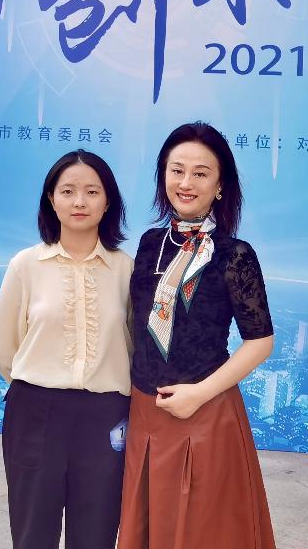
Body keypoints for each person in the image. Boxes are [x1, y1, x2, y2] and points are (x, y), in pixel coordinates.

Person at [118, 122, 277, 549]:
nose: (186, 183)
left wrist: (199, 394)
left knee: (205, 532)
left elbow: (261, 341)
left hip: (205, 413)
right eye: (177, 170)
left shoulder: (235, 255)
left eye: (201, 173)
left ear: (220, 185)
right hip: (145, 413)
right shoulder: (149, 244)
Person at [0, 149, 134, 549]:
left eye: (92, 191)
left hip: (105, 415)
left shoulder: (126, 269)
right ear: (51, 200)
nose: (79, 202)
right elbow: (1, 346)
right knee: (33, 531)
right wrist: (38, 386)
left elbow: (136, 345)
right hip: (36, 412)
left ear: (108, 201)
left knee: (97, 533)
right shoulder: (26, 265)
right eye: (68, 191)